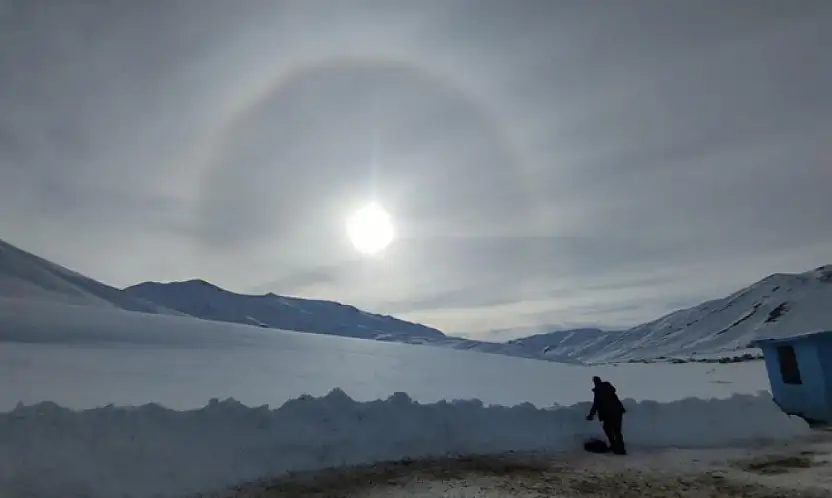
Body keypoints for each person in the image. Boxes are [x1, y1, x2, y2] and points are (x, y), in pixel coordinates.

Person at [586, 376, 627, 455]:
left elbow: (596, 404)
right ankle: (620, 449)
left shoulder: (599, 391)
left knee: (609, 429)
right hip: (617, 411)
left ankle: (615, 446)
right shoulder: (608, 387)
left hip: (609, 414)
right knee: (617, 431)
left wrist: (591, 415)